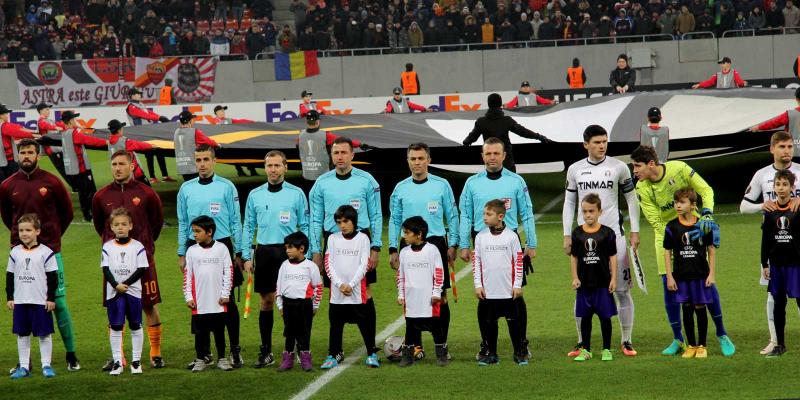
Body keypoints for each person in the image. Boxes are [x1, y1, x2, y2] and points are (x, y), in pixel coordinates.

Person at [631, 145, 735, 356]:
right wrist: (675, 236)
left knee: (705, 282)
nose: (634, 171)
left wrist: (706, 214)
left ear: (651, 164)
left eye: (637, 166)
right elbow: (655, 220)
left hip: (696, 229)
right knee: (669, 286)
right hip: (668, 234)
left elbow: (705, 190)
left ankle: (722, 334)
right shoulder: (641, 187)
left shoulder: (679, 168)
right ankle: (678, 339)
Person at [0, 139, 80, 372]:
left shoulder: (52, 182)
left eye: (30, 152)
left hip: (50, 252)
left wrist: (52, 238)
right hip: (20, 253)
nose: (26, 156)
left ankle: (71, 354)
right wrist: (20, 238)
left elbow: (66, 213)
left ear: (38, 155)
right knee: (22, 304)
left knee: (59, 304)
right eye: (22, 152)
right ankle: (25, 361)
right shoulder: (7, 185)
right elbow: (7, 216)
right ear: (17, 155)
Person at [562, 125, 640, 358]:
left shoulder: (618, 167)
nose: (602, 145)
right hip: (584, 241)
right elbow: (569, 203)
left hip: (614, 237)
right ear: (586, 144)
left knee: (622, 290)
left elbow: (631, 199)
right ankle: (581, 343)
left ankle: (626, 340)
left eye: (604, 141)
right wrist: (567, 234)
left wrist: (635, 231)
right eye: (596, 142)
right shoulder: (575, 169)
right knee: (583, 291)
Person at [458, 137, 536, 362]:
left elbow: (527, 213)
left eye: (496, 154)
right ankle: (487, 346)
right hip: (482, 244)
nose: (492, 157)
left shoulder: (516, 181)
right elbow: (466, 214)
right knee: (485, 298)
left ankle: (521, 344)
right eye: (488, 154)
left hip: (509, 246)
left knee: (515, 297)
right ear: (482, 156)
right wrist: (464, 244)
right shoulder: (472, 183)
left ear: (504, 156)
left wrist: (531, 243)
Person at [92, 150, 166, 369]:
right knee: (115, 308)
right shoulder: (101, 196)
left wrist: (145, 247)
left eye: (122, 164)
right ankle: (119, 357)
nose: (117, 168)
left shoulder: (147, 193)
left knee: (149, 304)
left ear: (132, 165)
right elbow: (100, 226)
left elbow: (157, 223)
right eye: (114, 164)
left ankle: (155, 353)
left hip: (143, 261)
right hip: (114, 266)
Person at [240, 150, 309, 368]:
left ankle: (298, 347)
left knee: (294, 304)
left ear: (285, 168)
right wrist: (245, 256)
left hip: (289, 253)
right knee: (266, 301)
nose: (273, 170)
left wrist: (307, 252)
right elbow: (248, 226)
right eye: (269, 165)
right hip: (264, 253)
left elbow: (305, 225)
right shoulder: (255, 194)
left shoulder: (297, 193)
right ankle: (266, 350)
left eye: (277, 165)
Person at [388, 143, 457, 356]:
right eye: (413, 159)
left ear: (428, 160)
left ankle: (441, 343)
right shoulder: (400, 188)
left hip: (436, 243)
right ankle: (416, 346)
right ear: (408, 161)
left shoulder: (442, 184)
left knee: (440, 295)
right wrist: (393, 248)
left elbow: (452, 215)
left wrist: (452, 243)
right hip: (407, 244)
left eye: (420, 158)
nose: (417, 163)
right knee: (412, 293)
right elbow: (394, 219)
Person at [177, 144, 243, 368]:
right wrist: (181, 251)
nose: (202, 164)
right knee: (198, 297)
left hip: (222, 245)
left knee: (229, 301)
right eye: (198, 160)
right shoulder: (186, 188)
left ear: (214, 161)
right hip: (193, 246)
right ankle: (203, 353)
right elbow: (183, 223)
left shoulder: (227, 187)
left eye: (206, 159)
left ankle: (233, 350)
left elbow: (236, 221)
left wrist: (240, 251)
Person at [739, 132, 800, 353]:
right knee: (773, 295)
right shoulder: (761, 175)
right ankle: (775, 341)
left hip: (798, 244)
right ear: (772, 149)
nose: (787, 151)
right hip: (774, 243)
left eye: (790, 146)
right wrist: (762, 206)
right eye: (782, 146)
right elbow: (744, 207)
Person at [309, 137, 381, 311]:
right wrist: (316, 251)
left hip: (361, 241)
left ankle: (368, 336)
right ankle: (337, 335)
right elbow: (315, 220)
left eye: (343, 152)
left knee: (365, 289)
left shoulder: (367, 180)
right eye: (336, 153)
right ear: (331, 156)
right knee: (334, 290)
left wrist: (375, 247)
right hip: (332, 242)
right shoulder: (321, 183)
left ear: (352, 155)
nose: (339, 157)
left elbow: (377, 215)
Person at [320, 205, 380, 369]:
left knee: (365, 323)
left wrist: (351, 285)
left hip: (356, 291)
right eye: (339, 222)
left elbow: (364, 264)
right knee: (336, 325)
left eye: (345, 221)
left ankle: (371, 353)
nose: (342, 225)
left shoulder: (363, 239)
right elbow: (328, 263)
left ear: (353, 221)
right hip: (338, 293)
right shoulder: (332, 238)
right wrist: (339, 284)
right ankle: (333, 354)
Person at [472, 199, 527, 366]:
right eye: (484, 214)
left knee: (514, 323)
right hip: (488, 290)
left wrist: (517, 285)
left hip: (508, 290)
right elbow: (477, 262)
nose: (484, 217)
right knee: (489, 323)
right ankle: (491, 353)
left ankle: (519, 352)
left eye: (489, 214)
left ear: (501, 216)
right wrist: (478, 285)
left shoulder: (511, 236)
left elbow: (518, 261)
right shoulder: (480, 237)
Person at [665, 188, 717, 359]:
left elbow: (711, 249)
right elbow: (667, 252)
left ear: (693, 205)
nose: (678, 205)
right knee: (686, 308)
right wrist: (670, 276)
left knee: (700, 308)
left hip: (700, 274)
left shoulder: (702, 225)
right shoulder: (671, 226)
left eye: (682, 202)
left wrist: (711, 274)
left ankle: (702, 345)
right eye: (676, 202)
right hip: (681, 276)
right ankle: (691, 345)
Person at [6, 213, 58, 379]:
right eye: (21, 230)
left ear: (37, 231)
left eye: (28, 230)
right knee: (22, 334)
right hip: (21, 300)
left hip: (40, 300)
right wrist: (10, 297)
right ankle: (23, 367)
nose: (24, 233)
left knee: (44, 334)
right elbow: (9, 276)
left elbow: (52, 278)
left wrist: (51, 298)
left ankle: (46, 365)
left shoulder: (46, 252)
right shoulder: (15, 252)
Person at [569, 194, 618, 362]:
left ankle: (606, 349)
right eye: (584, 211)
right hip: (584, 284)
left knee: (605, 317)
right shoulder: (577, 233)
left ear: (600, 212)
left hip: (603, 283)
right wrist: (575, 277)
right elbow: (574, 257)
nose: (588, 214)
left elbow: (612, 256)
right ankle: (586, 350)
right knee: (585, 317)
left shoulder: (608, 233)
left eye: (591, 211)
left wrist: (614, 279)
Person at [101, 207, 149, 375]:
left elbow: (142, 269)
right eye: (116, 225)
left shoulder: (138, 246)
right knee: (115, 326)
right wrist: (116, 285)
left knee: (136, 324)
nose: (120, 227)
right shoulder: (107, 247)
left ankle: (136, 362)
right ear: (111, 227)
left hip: (132, 291)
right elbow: (105, 269)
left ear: (130, 226)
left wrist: (125, 284)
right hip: (114, 292)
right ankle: (117, 362)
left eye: (124, 224)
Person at [183, 215, 234, 372]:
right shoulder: (191, 251)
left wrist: (226, 294)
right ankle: (200, 359)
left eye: (198, 231)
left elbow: (228, 272)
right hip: (199, 301)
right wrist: (188, 296)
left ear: (209, 232)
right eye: (193, 231)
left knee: (219, 331)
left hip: (218, 300)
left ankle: (222, 359)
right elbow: (187, 275)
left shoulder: (222, 249)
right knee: (200, 333)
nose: (194, 235)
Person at [396, 216, 447, 367]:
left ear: (419, 234)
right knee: (410, 329)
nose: (404, 236)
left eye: (407, 232)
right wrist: (400, 294)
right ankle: (407, 357)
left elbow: (439, 272)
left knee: (436, 329)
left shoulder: (432, 250)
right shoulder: (404, 252)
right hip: (412, 300)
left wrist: (436, 293)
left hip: (429, 300)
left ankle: (441, 355)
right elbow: (401, 275)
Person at [761, 169, 800, 357]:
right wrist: (764, 264)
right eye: (778, 184)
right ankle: (780, 345)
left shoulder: (797, 209)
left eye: (785, 185)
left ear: (793, 187)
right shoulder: (770, 212)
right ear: (774, 187)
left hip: (796, 265)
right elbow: (765, 240)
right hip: (777, 265)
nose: (781, 188)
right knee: (779, 304)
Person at [462, 94, 554, 172]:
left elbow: (471, 139)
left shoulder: (481, 122)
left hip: (491, 159)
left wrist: (466, 142)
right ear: (500, 104)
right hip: (506, 160)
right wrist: (539, 137)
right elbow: (523, 132)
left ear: (488, 104)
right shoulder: (507, 121)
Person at [275, 231, 322, 372]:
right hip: (288, 305)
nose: (287, 251)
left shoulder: (310, 266)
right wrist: (280, 305)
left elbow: (318, 287)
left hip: (305, 305)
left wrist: (315, 305)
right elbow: (279, 286)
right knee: (289, 333)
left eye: (290, 247)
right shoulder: (284, 265)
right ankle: (287, 360)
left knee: (304, 333)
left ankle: (306, 360)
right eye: (286, 248)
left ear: (301, 249)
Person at [60, 110, 107, 222]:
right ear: (71, 121)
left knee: (83, 192)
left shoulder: (65, 133)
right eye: (74, 119)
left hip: (73, 169)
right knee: (90, 191)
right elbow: (89, 140)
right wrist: (106, 142)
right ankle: (91, 214)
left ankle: (87, 214)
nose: (76, 121)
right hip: (81, 168)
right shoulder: (74, 133)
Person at [297, 110, 368, 182]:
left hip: (307, 175)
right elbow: (345, 142)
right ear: (318, 121)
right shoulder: (325, 135)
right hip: (324, 177)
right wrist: (360, 144)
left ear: (306, 121)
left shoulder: (300, 136)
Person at [125, 87, 175, 184]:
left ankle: (165, 176)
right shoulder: (131, 107)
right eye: (138, 93)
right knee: (149, 154)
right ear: (131, 96)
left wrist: (159, 117)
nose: (140, 95)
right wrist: (159, 117)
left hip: (148, 132)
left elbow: (149, 113)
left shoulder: (139, 104)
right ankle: (152, 177)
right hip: (141, 134)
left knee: (160, 151)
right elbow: (144, 115)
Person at [749, 87, 800, 162]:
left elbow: (773, 123)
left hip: (793, 153)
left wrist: (758, 127)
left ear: (796, 99)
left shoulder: (790, 114)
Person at [210, 105, 258, 177]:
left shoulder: (229, 120)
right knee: (235, 155)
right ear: (216, 112)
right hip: (223, 145)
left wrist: (253, 122)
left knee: (247, 152)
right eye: (221, 111)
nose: (223, 112)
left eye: (223, 111)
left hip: (232, 142)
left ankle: (252, 170)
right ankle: (240, 171)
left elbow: (241, 121)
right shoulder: (214, 122)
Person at [173, 111, 220, 181]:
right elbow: (208, 141)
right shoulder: (194, 132)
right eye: (192, 119)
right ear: (190, 121)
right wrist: (217, 145)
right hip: (193, 167)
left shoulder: (176, 132)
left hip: (182, 167)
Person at [106, 119, 153, 185]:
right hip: (135, 174)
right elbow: (138, 145)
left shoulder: (110, 142)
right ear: (119, 130)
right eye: (121, 128)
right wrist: (151, 145)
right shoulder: (124, 141)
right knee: (147, 191)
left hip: (120, 173)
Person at [0, 104, 38, 182]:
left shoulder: (5, 126)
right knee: (15, 181)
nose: (7, 116)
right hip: (8, 160)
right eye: (6, 114)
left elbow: (19, 129)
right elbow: (18, 132)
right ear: (1, 115)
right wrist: (34, 135)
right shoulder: (4, 126)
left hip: (3, 160)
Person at [35, 103, 70, 186]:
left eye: (48, 109)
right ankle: (75, 186)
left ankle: (75, 185)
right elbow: (46, 126)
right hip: (52, 150)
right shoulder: (41, 121)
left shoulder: (50, 120)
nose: (49, 111)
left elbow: (60, 125)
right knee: (63, 170)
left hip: (58, 148)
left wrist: (69, 126)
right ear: (41, 111)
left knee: (67, 168)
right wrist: (55, 127)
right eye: (46, 109)